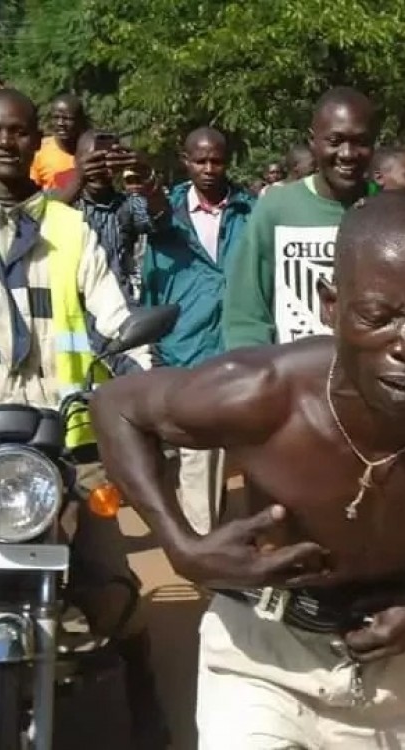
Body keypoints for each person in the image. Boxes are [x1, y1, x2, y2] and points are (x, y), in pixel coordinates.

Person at [89, 190, 405, 749]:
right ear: (331, 304)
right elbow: (116, 406)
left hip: (397, 664)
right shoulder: (262, 394)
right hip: (261, 652)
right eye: (379, 317)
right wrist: (180, 546)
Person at [0, 88, 168, 748]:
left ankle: (146, 699)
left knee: (110, 577)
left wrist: (143, 372)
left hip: (61, 428)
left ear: (37, 144)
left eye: (19, 132)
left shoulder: (70, 229)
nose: (7, 141)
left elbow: (115, 316)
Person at [141, 126, 256, 534]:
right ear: (185, 160)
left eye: (217, 160)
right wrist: (152, 344)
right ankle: (205, 549)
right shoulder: (162, 215)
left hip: (239, 348)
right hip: (185, 347)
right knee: (198, 454)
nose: (209, 168)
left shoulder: (250, 210)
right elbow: (152, 282)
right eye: (200, 160)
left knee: (245, 451)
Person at [223, 87, 378, 347]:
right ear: (313, 141)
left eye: (361, 142)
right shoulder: (276, 209)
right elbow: (246, 316)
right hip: (290, 380)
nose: (348, 154)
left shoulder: (386, 211)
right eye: (335, 141)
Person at [70, 130, 169, 302]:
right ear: (77, 161)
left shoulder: (127, 204)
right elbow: (41, 223)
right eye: (93, 160)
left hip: (119, 306)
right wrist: (79, 180)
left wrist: (146, 174)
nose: (99, 169)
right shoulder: (65, 203)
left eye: (105, 161)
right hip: (75, 305)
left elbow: (161, 219)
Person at [30, 93, 88, 193]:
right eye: (56, 118)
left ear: (80, 120)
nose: (60, 123)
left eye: (68, 118)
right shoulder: (39, 150)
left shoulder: (91, 149)